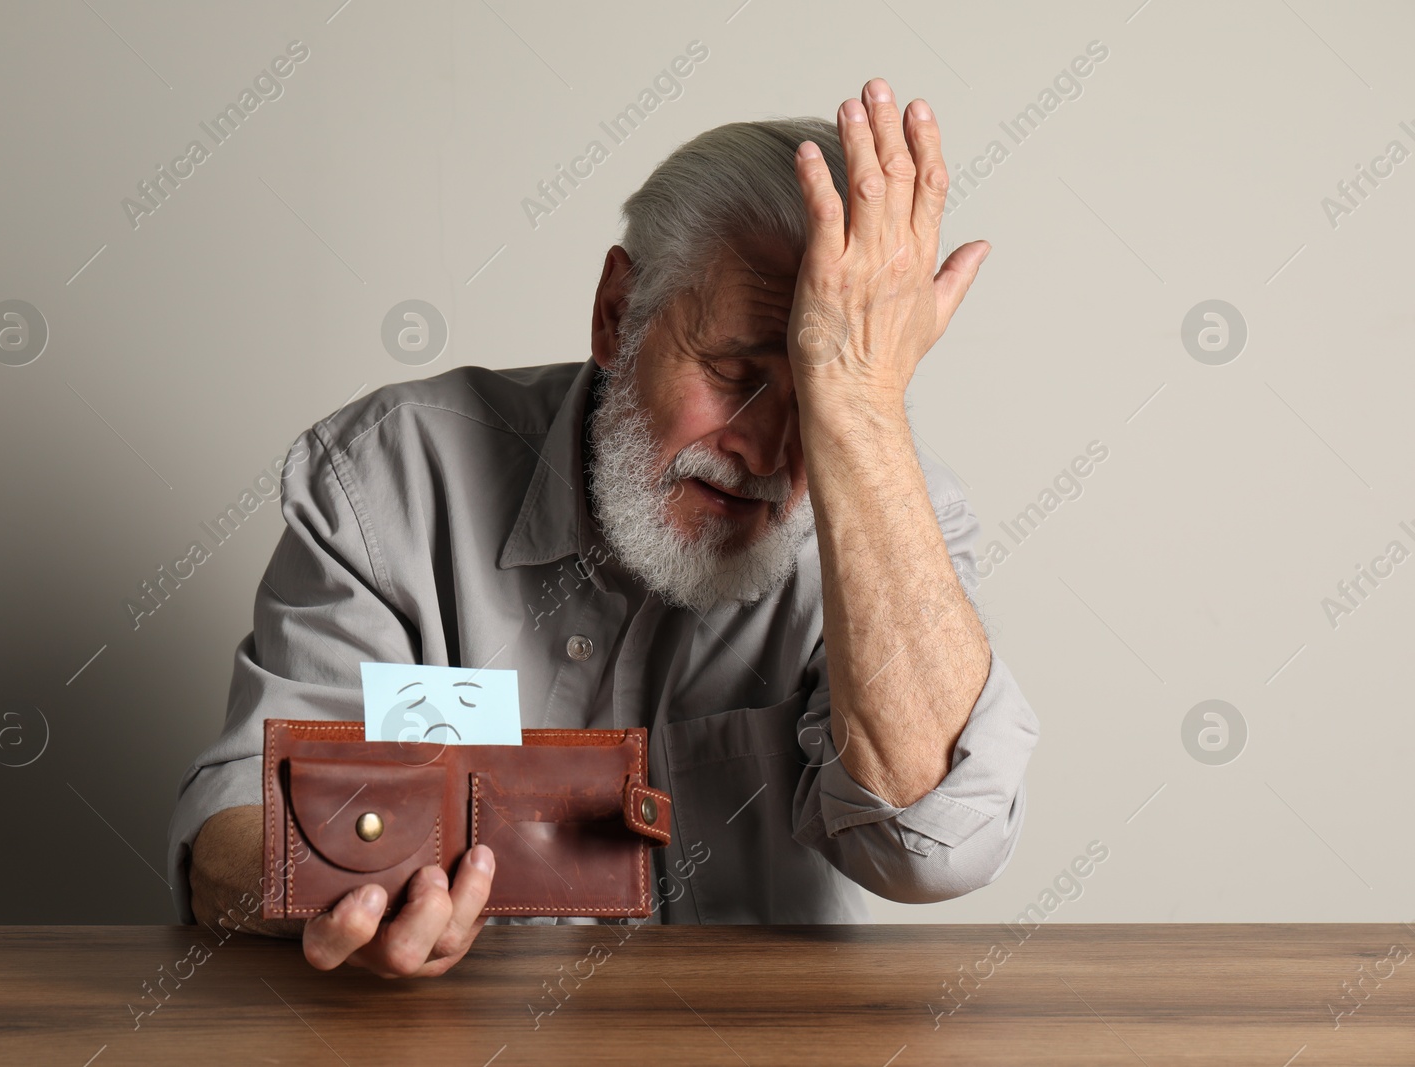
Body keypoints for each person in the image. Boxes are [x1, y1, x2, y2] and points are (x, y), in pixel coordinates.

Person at [167, 77, 1039, 979]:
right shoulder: (389, 475)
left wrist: (859, 411)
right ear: (619, 315)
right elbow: (236, 826)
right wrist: (339, 890)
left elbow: (935, 848)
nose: (772, 450)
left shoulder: (895, 521)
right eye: (738, 371)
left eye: (818, 393)